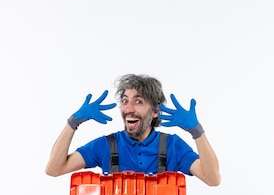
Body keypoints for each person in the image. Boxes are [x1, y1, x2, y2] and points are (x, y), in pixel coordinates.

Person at [45, 74, 221, 187]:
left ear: (155, 111)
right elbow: (54, 169)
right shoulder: (106, 145)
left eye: (138, 101)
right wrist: (73, 122)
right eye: (124, 100)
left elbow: (212, 179)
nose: (128, 108)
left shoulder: (172, 146)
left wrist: (197, 132)